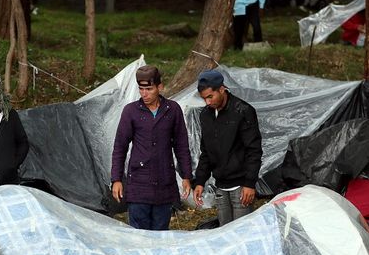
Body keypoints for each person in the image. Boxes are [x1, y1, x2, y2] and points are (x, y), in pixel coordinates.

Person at [110, 65, 193, 231]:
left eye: (149, 89)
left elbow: (181, 145)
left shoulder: (172, 109)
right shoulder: (131, 111)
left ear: (160, 87)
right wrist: (116, 179)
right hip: (139, 182)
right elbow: (120, 147)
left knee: (160, 232)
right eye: (141, 89)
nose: (144, 93)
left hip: (164, 181)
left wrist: (186, 176)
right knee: (139, 234)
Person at [192, 69, 263, 226]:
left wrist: (250, 183)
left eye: (211, 96)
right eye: (204, 99)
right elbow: (206, 151)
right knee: (225, 231)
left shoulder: (243, 111)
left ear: (222, 89)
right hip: (220, 185)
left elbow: (254, 150)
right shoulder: (206, 115)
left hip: (241, 185)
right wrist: (200, 181)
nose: (208, 102)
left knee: (242, 231)